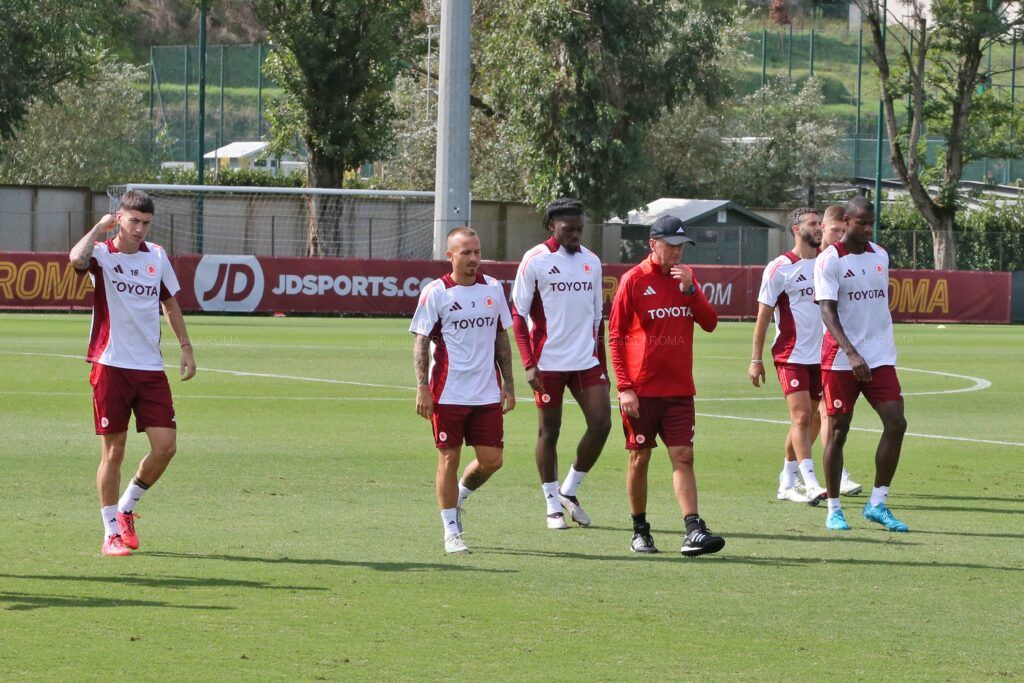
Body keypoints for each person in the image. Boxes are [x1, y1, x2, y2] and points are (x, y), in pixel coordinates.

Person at [69, 189, 196, 557]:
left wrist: (186, 347)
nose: (140, 229)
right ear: (119, 218)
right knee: (114, 452)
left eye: (146, 223)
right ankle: (110, 532)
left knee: (166, 447)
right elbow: (76, 258)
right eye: (134, 221)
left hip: (150, 368)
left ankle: (126, 507)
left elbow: (170, 303)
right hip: (110, 365)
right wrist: (97, 228)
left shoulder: (157, 256)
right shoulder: (102, 255)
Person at [608, 215, 724, 556]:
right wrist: (624, 387)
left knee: (683, 456)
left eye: (681, 247)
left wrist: (691, 290)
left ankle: (693, 529)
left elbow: (710, 323)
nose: (677, 253)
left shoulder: (686, 280)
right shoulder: (633, 281)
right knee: (639, 457)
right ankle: (640, 530)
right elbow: (615, 336)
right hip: (641, 392)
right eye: (671, 246)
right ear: (653, 244)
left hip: (679, 390)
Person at [410, 227, 516, 553]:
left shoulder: (494, 289)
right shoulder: (436, 292)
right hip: (447, 392)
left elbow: (501, 337)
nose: (473, 259)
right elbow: (421, 340)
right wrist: (422, 387)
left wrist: (509, 382)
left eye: (477, 252)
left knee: (492, 460)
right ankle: (450, 531)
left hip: (486, 392)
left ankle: (458, 498)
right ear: (450, 256)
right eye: (466, 252)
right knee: (449, 458)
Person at [510, 198, 611, 529]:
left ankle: (570, 488)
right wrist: (528, 363)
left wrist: (604, 367)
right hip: (548, 363)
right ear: (552, 226)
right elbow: (518, 312)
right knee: (549, 431)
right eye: (569, 229)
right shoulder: (535, 260)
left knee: (602, 423)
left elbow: (598, 319)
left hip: (585, 360)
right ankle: (552, 505)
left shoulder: (592, 262)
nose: (576, 235)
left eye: (580, 229)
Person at [814, 196, 909, 532]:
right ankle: (834, 508)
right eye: (862, 223)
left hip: (880, 356)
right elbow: (827, 310)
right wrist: (851, 352)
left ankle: (878, 503)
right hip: (841, 359)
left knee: (896, 423)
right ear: (847, 221)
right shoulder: (829, 260)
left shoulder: (880, 254)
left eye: (872, 223)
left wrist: (871, 347)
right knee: (837, 433)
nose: (868, 229)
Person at [749, 207, 829, 505]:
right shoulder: (779, 267)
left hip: (822, 356)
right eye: (812, 223)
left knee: (814, 421)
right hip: (791, 354)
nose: (819, 228)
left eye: (820, 223)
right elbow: (763, 316)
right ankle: (810, 483)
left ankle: (786, 479)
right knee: (801, 417)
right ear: (796, 229)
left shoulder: (826, 263)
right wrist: (756, 359)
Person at [814, 205, 862, 496]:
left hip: (829, 349)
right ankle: (800, 474)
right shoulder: (820, 261)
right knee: (805, 417)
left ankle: (795, 472)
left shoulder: (848, 260)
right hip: (807, 351)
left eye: (845, 231)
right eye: (836, 230)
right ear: (823, 228)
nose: (842, 236)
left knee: (819, 416)